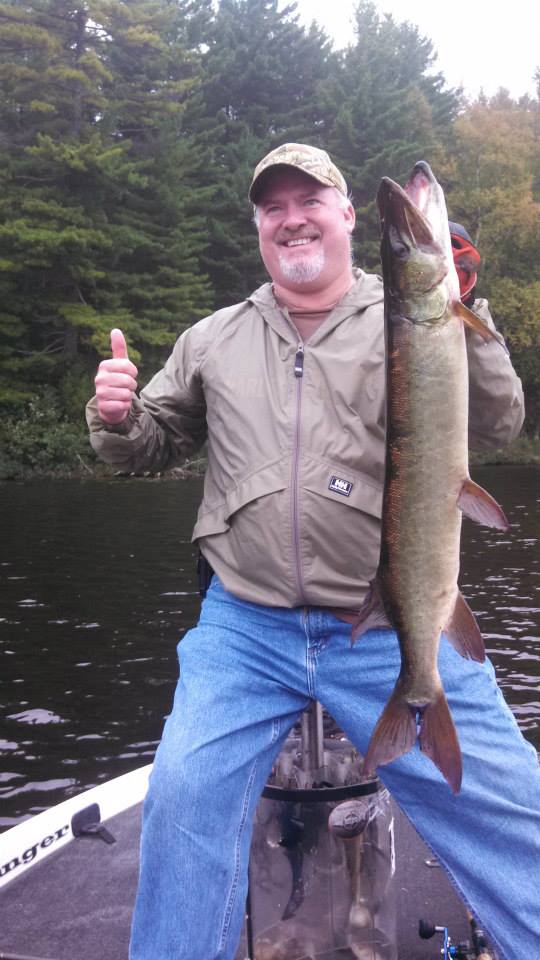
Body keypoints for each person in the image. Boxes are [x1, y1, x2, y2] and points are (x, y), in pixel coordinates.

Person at [86, 143, 539, 960]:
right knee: (183, 796)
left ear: (345, 216)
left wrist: (469, 311)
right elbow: (150, 446)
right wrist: (117, 419)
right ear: (260, 226)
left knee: (509, 809)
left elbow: (498, 427)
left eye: (310, 200)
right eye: (274, 206)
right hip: (244, 627)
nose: (292, 217)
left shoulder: (407, 313)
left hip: (395, 611)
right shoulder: (215, 338)